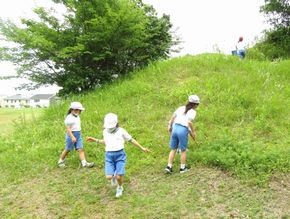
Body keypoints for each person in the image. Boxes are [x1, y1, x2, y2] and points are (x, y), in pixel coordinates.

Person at [86, 113, 150, 198]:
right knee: (109, 177)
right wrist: (95, 140)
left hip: (120, 155)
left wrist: (142, 148)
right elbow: (106, 141)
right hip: (109, 156)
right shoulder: (105, 131)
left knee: (119, 177)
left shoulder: (121, 131)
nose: (109, 128)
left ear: (116, 124)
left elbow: (131, 140)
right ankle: (113, 176)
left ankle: (120, 187)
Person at [165, 95, 200, 174]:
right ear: (195, 104)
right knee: (183, 150)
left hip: (175, 127)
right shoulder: (193, 112)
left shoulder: (181, 108)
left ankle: (169, 166)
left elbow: (173, 117)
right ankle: (182, 168)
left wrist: (170, 126)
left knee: (173, 149)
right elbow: (189, 123)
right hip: (182, 130)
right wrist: (193, 132)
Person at [58, 102, 95, 168]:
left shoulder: (77, 116)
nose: (78, 111)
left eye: (79, 110)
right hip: (71, 135)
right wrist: (72, 137)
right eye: (76, 110)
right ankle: (60, 161)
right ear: (72, 110)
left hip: (78, 135)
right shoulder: (68, 118)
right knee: (67, 149)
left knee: (80, 149)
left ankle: (84, 163)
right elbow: (68, 129)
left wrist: (79, 134)